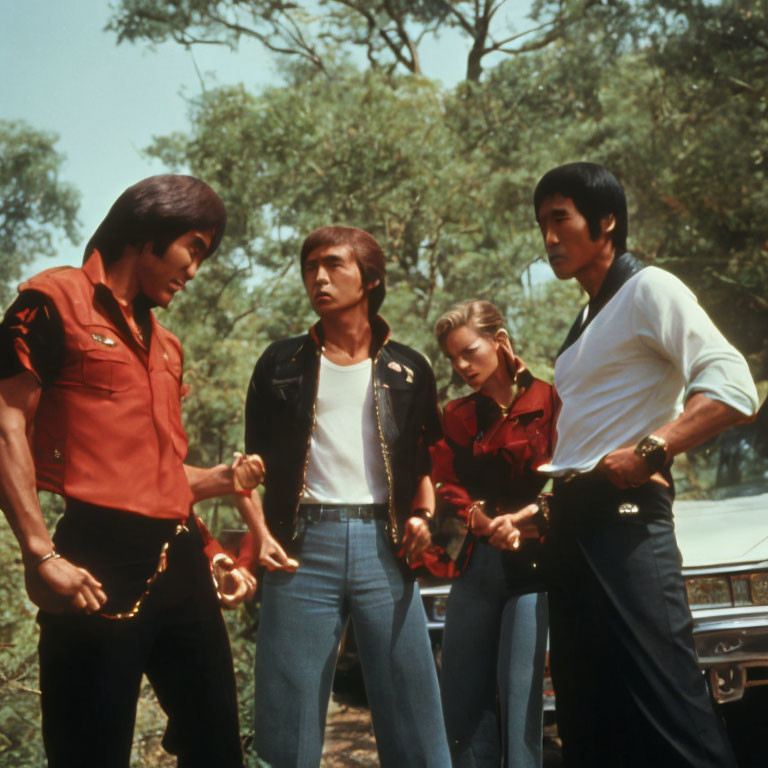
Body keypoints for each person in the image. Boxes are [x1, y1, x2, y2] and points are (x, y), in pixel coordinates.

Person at [0, 174, 265, 768]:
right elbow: (6, 424)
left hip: (181, 559)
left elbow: (160, 473)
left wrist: (215, 540)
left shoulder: (167, 346)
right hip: (95, 560)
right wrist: (40, 554)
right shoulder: (51, 300)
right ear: (148, 232)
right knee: (89, 751)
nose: (194, 270)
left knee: (218, 744)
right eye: (193, 248)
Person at [531, 162, 759, 767]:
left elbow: (734, 387)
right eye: (541, 225)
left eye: (561, 220)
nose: (549, 238)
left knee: (667, 702)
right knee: (590, 712)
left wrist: (653, 449)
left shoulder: (650, 288)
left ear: (605, 221)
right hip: (574, 522)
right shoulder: (585, 318)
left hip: (627, 519)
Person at [244, 225, 451, 768]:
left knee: (412, 706)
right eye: (310, 266)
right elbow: (249, 472)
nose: (318, 277)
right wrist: (261, 537)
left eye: (333, 265)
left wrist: (425, 517)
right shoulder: (278, 365)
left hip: (385, 545)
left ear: (371, 278)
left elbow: (425, 464)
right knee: (286, 718)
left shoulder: (410, 369)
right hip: (300, 547)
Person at [430, 300, 553, 768]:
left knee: (521, 700)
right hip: (476, 565)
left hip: (533, 563)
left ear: (500, 342)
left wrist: (526, 518)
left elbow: (571, 478)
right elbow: (446, 480)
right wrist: (477, 517)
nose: (461, 366)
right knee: (460, 699)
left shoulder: (550, 401)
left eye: (469, 352)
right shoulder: (457, 415)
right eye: (452, 358)